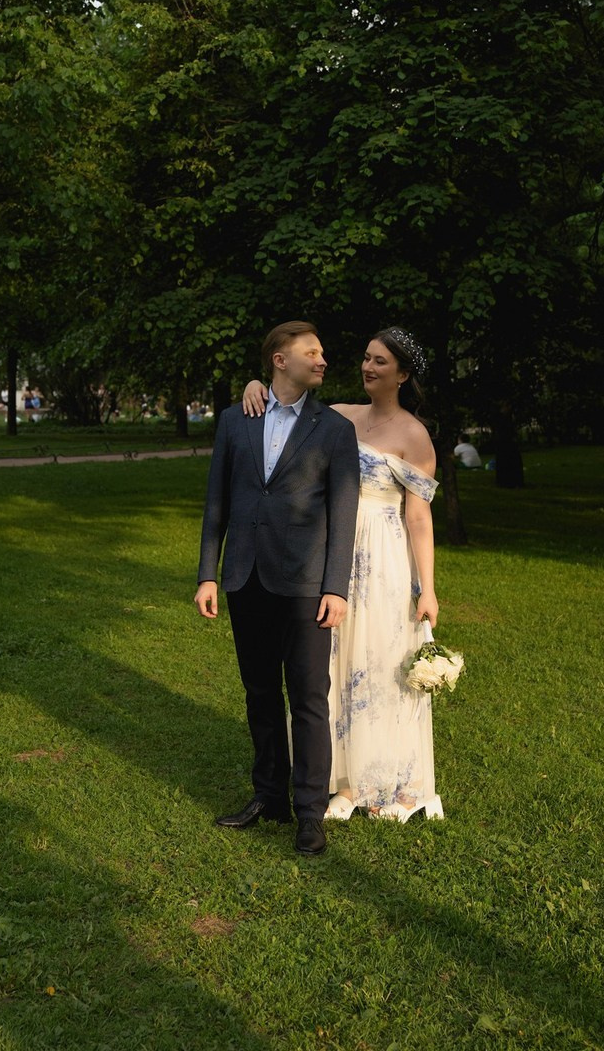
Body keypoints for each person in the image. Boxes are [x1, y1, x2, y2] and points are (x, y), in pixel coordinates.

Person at [242, 326, 443, 822]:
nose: (368, 368)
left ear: (403, 374)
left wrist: (428, 589)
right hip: (330, 554)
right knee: (329, 665)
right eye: (367, 358)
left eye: (380, 362)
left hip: (383, 559)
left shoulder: (414, 435)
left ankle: (386, 780)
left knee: (377, 663)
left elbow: (418, 517)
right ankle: (342, 781)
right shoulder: (341, 415)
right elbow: (285, 407)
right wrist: (256, 388)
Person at [196, 321, 360, 857]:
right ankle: (268, 797)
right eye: (311, 352)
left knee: (310, 699)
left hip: (307, 585)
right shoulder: (233, 421)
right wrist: (208, 572)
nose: (323, 360)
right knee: (260, 693)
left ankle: (310, 813)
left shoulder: (334, 429)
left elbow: (345, 512)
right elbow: (216, 502)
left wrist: (336, 586)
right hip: (245, 577)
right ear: (278, 361)